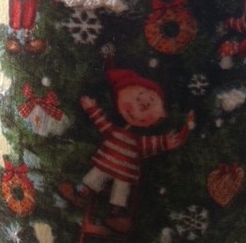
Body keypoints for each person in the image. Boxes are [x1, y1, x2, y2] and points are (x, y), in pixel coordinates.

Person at [58, 68, 195, 234]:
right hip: (105, 164)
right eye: (138, 98)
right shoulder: (115, 132)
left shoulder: (139, 142)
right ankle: (78, 195)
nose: (141, 105)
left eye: (150, 103)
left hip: (124, 173)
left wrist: (179, 134)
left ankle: (115, 215)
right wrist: (91, 108)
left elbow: (159, 143)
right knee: (94, 177)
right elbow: (101, 122)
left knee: (121, 190)